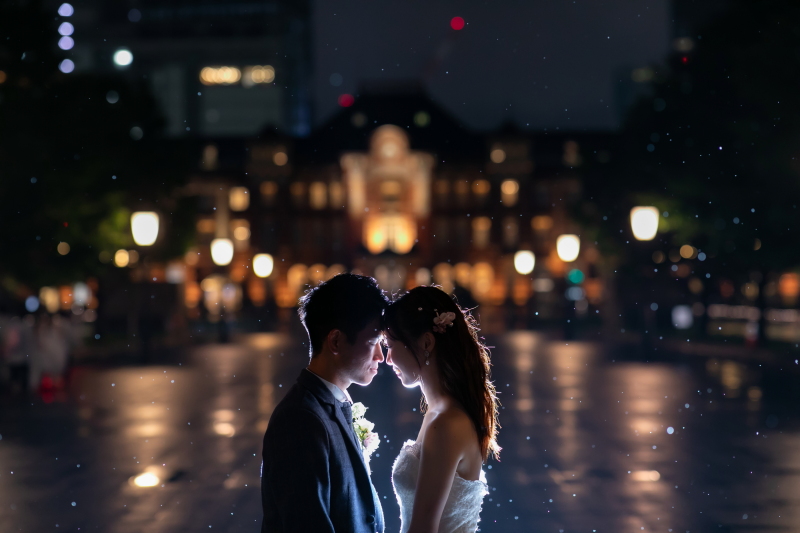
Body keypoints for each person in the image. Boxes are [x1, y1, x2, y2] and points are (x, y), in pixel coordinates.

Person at [261, 273, 388, 533]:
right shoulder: (299, 418)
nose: (381, 356)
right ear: (336, 341)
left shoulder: (329, 404)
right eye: (374, 342)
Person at [383, 286, 500, 533]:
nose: (387, 358)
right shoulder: (439, 412)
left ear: (426, 342)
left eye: (391, 344)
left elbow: (424, 527)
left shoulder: (446, 423)